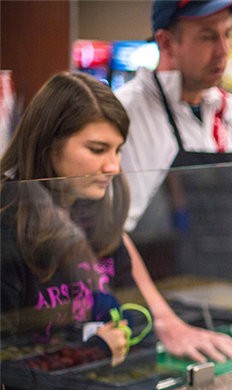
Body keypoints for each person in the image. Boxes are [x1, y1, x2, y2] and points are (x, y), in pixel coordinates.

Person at [116, 0, 232, 363]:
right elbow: (112, 233)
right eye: (207, 37)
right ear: (166, 43)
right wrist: (166, 322)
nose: (224, 50)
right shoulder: (127, 112)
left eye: (227, 34)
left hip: (230, 313)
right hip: (156, 327)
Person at [1, 72, 133, 366]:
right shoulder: (8, 231)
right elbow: (10, 370)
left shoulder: (101, 222)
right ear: (50, 145)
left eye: (118, 150)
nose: (112, 166)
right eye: (97, 149)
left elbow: (134, 316)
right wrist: (94, 352)